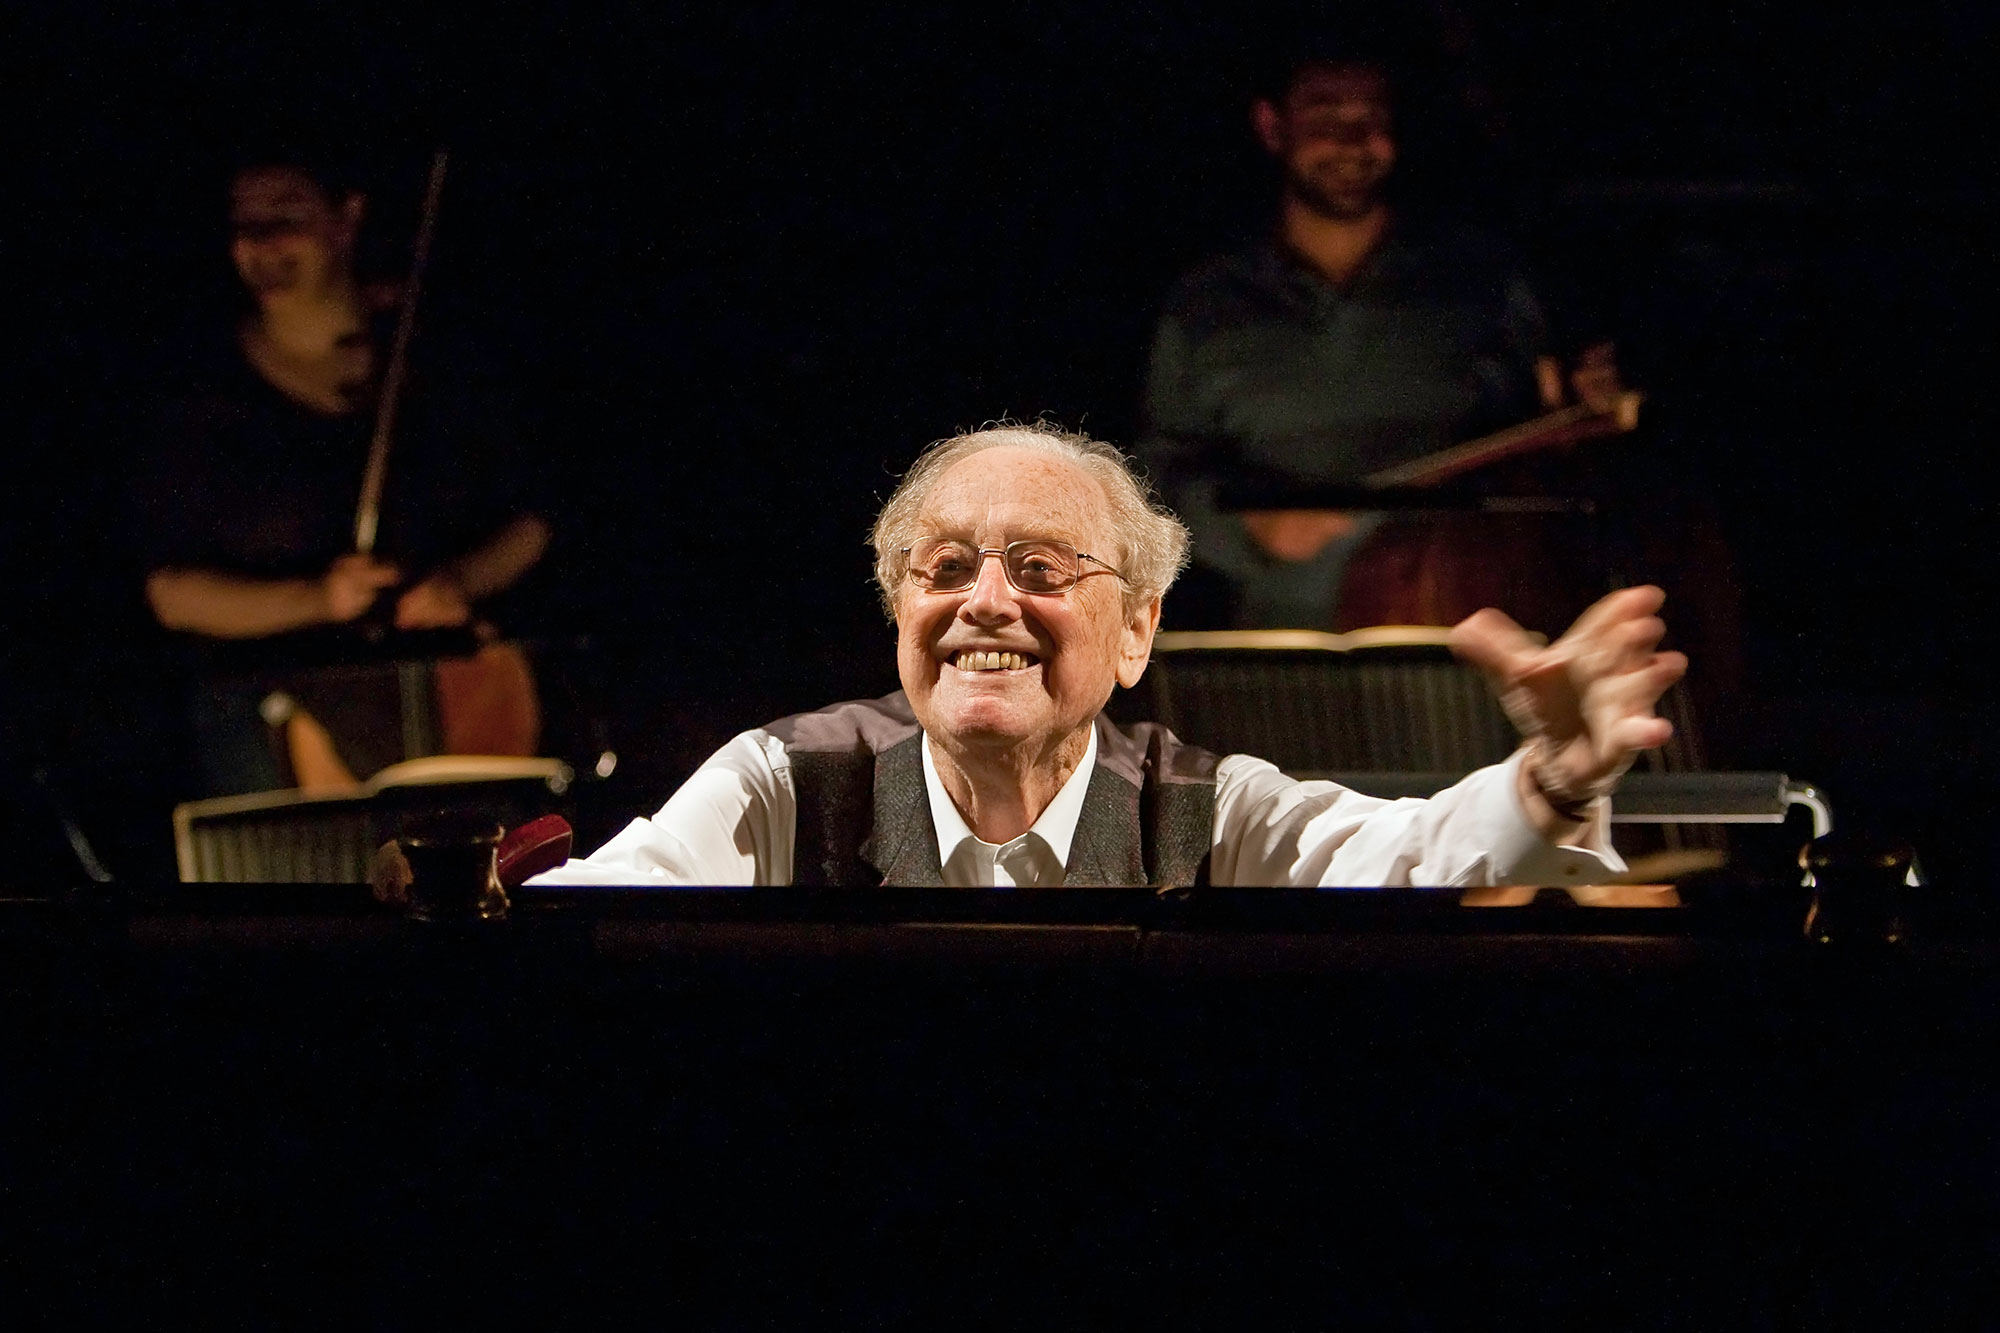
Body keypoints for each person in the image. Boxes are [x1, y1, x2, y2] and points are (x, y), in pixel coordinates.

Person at [530, 423, 1684, 888]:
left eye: (1039, 571)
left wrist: (1552, 779)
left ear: (1137, 631)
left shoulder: (1210, 812)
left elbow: (1419, 863)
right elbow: (576, 929)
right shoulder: (782, 785)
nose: (985, 603)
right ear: (898, 610)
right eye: (943, 569)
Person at [1136, 52, 1621, 631]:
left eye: (1373, 119)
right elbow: (1159, 472)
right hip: (1286, 638)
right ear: (1272, 127)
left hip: (1467, 624)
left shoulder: (1480, 283)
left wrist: (1581, 411)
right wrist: (1250, 530)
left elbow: (1547, 442)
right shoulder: (1206, 302)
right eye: (1325, 118)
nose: (1353, 141)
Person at [130, 153, 551, 795]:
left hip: (450, 690)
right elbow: (173, 592)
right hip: (272, 713)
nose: (263, 240)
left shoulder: (428, 354)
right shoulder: (203, 398)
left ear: (345, 220)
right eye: (246, 221)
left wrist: (457, 582)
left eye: (287, 214)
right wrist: (320, 598)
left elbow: (533, 521)